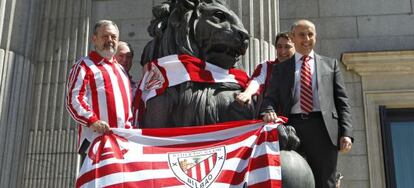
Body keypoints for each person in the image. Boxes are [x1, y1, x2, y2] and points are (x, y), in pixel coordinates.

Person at [260, 19, 353, 188]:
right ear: (292, 37)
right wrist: (268, 110)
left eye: (310, 34)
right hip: (292, 129)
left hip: (324, 129)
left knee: (326, 182)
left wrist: (346, 132)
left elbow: (342, 101)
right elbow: (270, 98)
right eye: (302, 34)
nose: (307, 38)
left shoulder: (330, 65)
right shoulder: (281, 69)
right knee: (294, 179)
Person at [66, 20, 133, 163]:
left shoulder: (121, 70)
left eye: (113, 37)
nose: (110, 40)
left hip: (122, 143)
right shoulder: (84, 65)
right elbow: (74, 99)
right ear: (94, 39)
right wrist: (93, 121)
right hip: (95, 141)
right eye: (105, 36)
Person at [235, 32, 294, 105]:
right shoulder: (266, 66)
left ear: (295, 48)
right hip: (270, 113)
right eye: (279, 47)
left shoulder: (303, 67)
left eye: (287, 47)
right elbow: (257, 81)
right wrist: (247, 93)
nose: (283, 51)